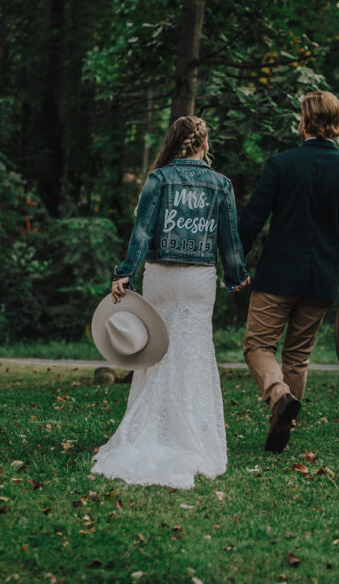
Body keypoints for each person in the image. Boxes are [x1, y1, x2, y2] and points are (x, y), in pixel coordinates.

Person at [91, 116, 250, 489]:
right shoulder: (221, 184)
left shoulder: (158, 179)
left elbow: (142, 230)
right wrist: (236, 275)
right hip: (198, 280)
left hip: (161, 275)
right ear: (203, 145)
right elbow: (229, 239)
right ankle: (193, 435)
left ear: (174, 143)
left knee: (156, 351)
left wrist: (124, 272)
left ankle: (151, 428)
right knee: (194, 350)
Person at [238, 91, 339, 453]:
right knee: (297, 356)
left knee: (257, 345)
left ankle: (279, 394)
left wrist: (235, 262)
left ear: (304, 122)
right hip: (320, 282)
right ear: (337, 123)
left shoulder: (282, 164)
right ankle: (282, 429)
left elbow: (253, 219)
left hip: (278, 277)